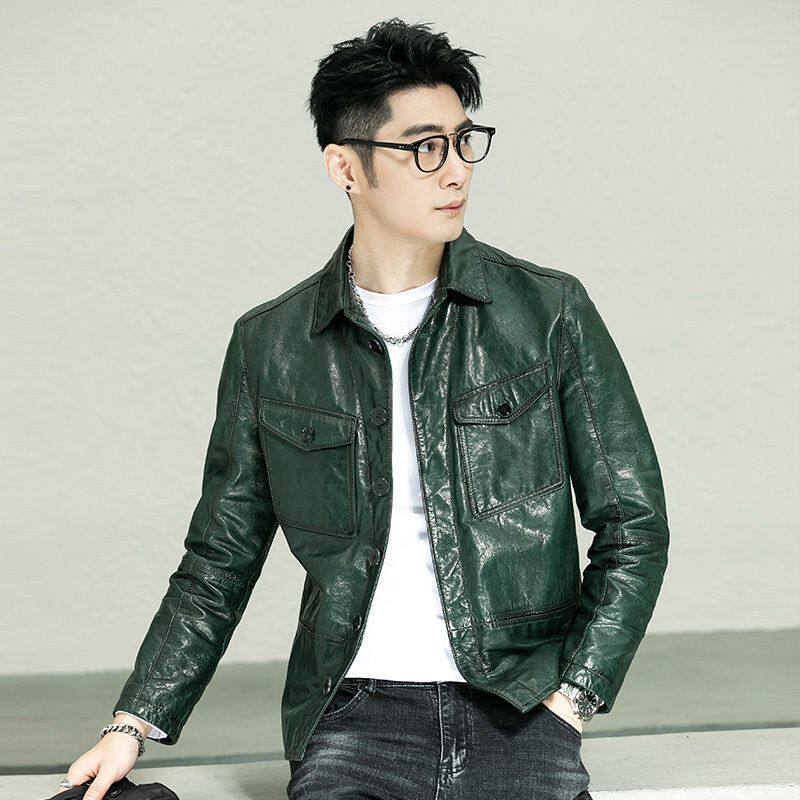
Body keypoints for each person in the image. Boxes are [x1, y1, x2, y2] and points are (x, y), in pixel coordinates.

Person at [61, 18, 669, 800]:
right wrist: (132, 723)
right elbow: (220, 558)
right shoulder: (273, 344)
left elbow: (634, 523)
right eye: (424, 148)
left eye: (463, 141)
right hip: (354, 719)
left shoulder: (547, 312)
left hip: (519, 708)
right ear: (345, 166)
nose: (455, 170)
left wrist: (573, 698)